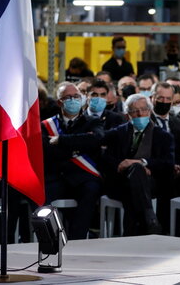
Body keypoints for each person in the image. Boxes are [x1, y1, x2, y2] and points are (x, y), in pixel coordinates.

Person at [101, 94, 174, 235]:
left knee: (136, 174)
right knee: (135, 177)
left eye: (144, 109)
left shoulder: (163, 136)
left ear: (150, 111)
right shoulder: (118, 133)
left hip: (151, 184)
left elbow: (168, 163)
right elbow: (106, 158)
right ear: (128, 114)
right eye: (135, 111)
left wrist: (141, 162)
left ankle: (130, 235)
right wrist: (122, 165)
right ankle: (150, 218)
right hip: (120, 181)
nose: (140, 114)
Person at [41, 82, 104, 240]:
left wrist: (61, 140)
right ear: (59, 102)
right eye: (68, 97)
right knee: (39, 195)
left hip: (82, 178)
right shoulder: (46, 125)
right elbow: (47, 150)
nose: (73, 100)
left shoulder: (92, 122)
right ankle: (51, 239)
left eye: (76, 96)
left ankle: (78, 240)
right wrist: (78, 145)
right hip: (56, 177)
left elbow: (96, 139)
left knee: (91, 189)